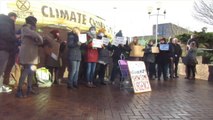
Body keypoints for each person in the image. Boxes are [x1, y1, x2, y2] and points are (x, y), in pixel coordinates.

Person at [16, 16, 43, 98]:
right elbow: (36, 36)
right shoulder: (25, 28)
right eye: (35, 21)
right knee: (26, 71)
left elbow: (38, 40)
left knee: (31, 72)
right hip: (27, 55)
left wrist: (39, 40)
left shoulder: (31, 29)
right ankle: (19, 90)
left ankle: (29, 88)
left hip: (32, 55)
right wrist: (39, 38)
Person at [0, 12, 17, 92]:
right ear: (12, 17)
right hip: (3, 48)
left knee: (4, 68)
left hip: (6, 49)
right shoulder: (6, 23)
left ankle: (2, 85)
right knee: (1, 68)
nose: (15, 20)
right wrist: (15, 37)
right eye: (15, 18)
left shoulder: (5, 23)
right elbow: (5, 35)